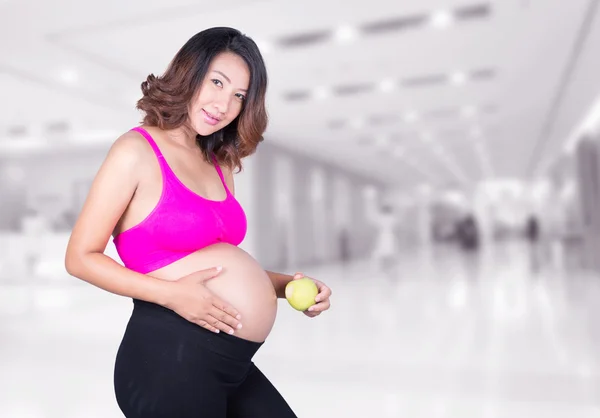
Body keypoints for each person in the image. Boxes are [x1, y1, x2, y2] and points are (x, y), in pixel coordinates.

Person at [64, 27, 332, 418]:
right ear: (190, 73)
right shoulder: (136, 150)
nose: (223, 104)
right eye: (217, 82)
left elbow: (218, 262)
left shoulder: (220, 162)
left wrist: (284, 285)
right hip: (169, 357)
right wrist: (171, 295)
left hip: (229, 360)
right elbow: (80, 257)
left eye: (239, 95)